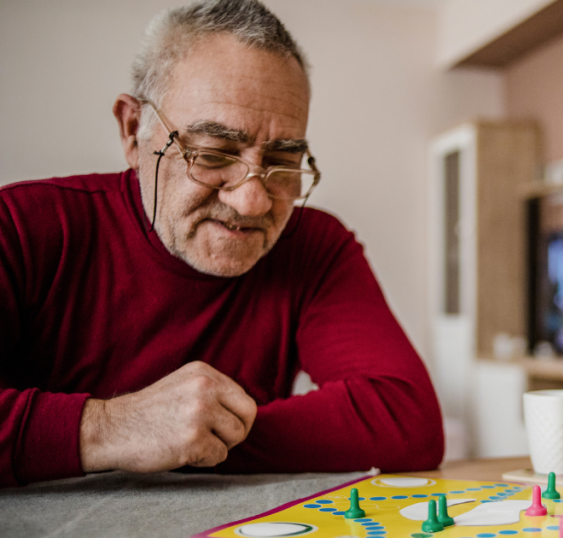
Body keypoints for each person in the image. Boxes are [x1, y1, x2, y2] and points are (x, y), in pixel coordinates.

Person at [0, 0, 444, 487]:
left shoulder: (312, 245)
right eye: (213, 154)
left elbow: (405, 419)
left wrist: (196, 436)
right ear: (133, 131)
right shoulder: (21, 227)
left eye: (282, 160)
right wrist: (110, 429)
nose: (253, 202)